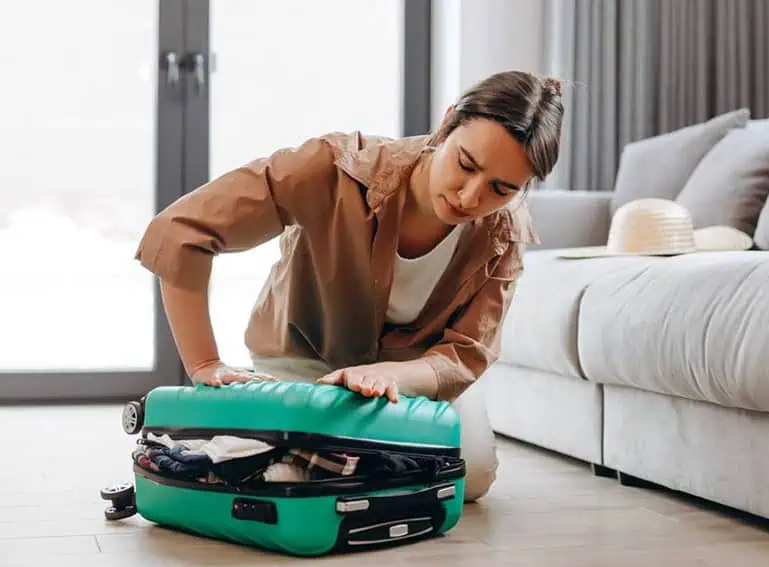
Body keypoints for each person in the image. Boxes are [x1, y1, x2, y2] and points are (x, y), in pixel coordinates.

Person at [133, 70, 565, 502]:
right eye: (465, 165)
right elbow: (182, 232)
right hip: (305, 356)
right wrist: (204, 362)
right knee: (351, 457)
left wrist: (390, 374)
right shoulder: (336, 167)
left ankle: (307, 452)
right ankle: (299, 448)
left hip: (405, 377)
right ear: (448, 123)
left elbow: (466, 353)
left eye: (501, 188)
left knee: (471, 476)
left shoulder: (504, 232)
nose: (471, 198)